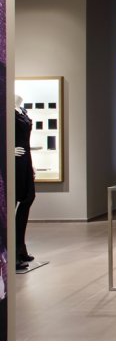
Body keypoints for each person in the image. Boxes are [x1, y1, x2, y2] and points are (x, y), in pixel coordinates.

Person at [15, 94, 36, 269]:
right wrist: (7, 150)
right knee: (12, 202)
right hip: (13, 161)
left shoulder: (22, 111)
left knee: (28, 198)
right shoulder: (5, 110)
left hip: (25, 159)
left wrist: (31, 164)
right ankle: (11, 254)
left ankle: (20, 248)